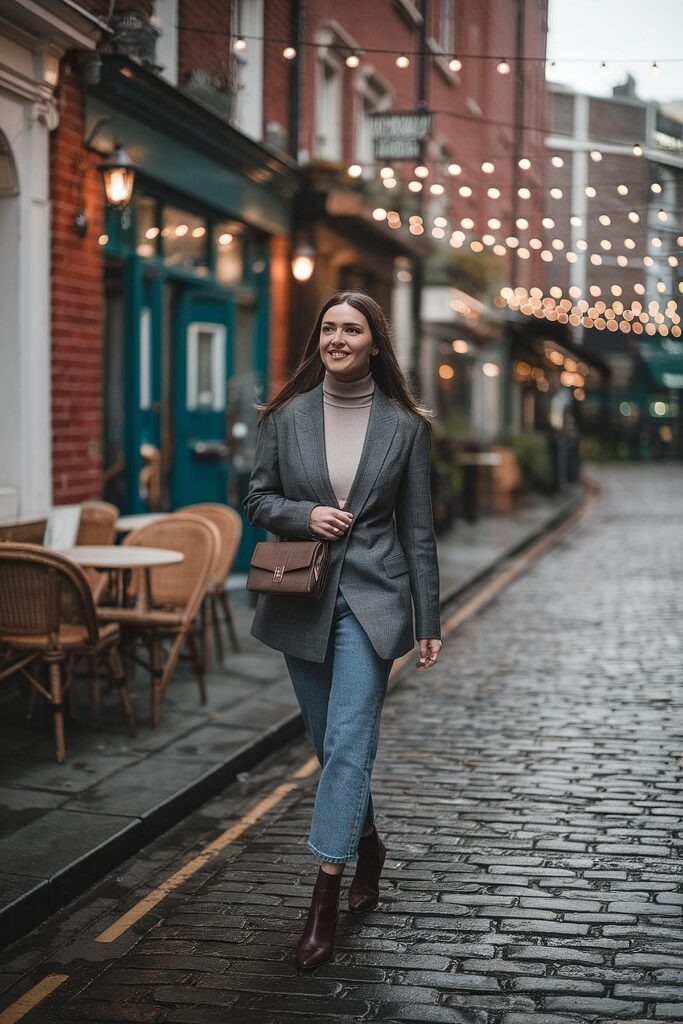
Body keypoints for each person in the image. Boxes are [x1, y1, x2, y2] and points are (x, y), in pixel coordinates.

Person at [242, 290, 443, 970]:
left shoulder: (405, 428)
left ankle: (321, 897)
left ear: (374, 344)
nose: (335, 338)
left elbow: (418, 533)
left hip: (373, 600)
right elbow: (258, 499)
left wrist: (427, 620)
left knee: (350, 740)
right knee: (332, 748)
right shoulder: (284, 417)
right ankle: (369, 844)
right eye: (326, 328)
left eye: (350, 329)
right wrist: (305, 516)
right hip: (300, 597)